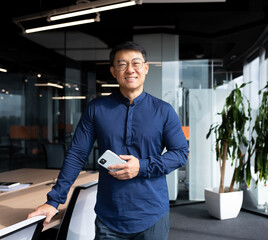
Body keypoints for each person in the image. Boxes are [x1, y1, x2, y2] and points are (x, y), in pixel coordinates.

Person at [28, 41, 189, 240]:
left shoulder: (164, 111)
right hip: (109, 217)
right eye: (122, 64)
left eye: (136, 63)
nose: (130, 69)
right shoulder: (97, 109)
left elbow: (180, 154)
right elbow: (77, 154)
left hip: (152, 215)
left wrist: (142, 166)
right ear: (113, 71)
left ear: (146, 68)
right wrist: (53, 201)